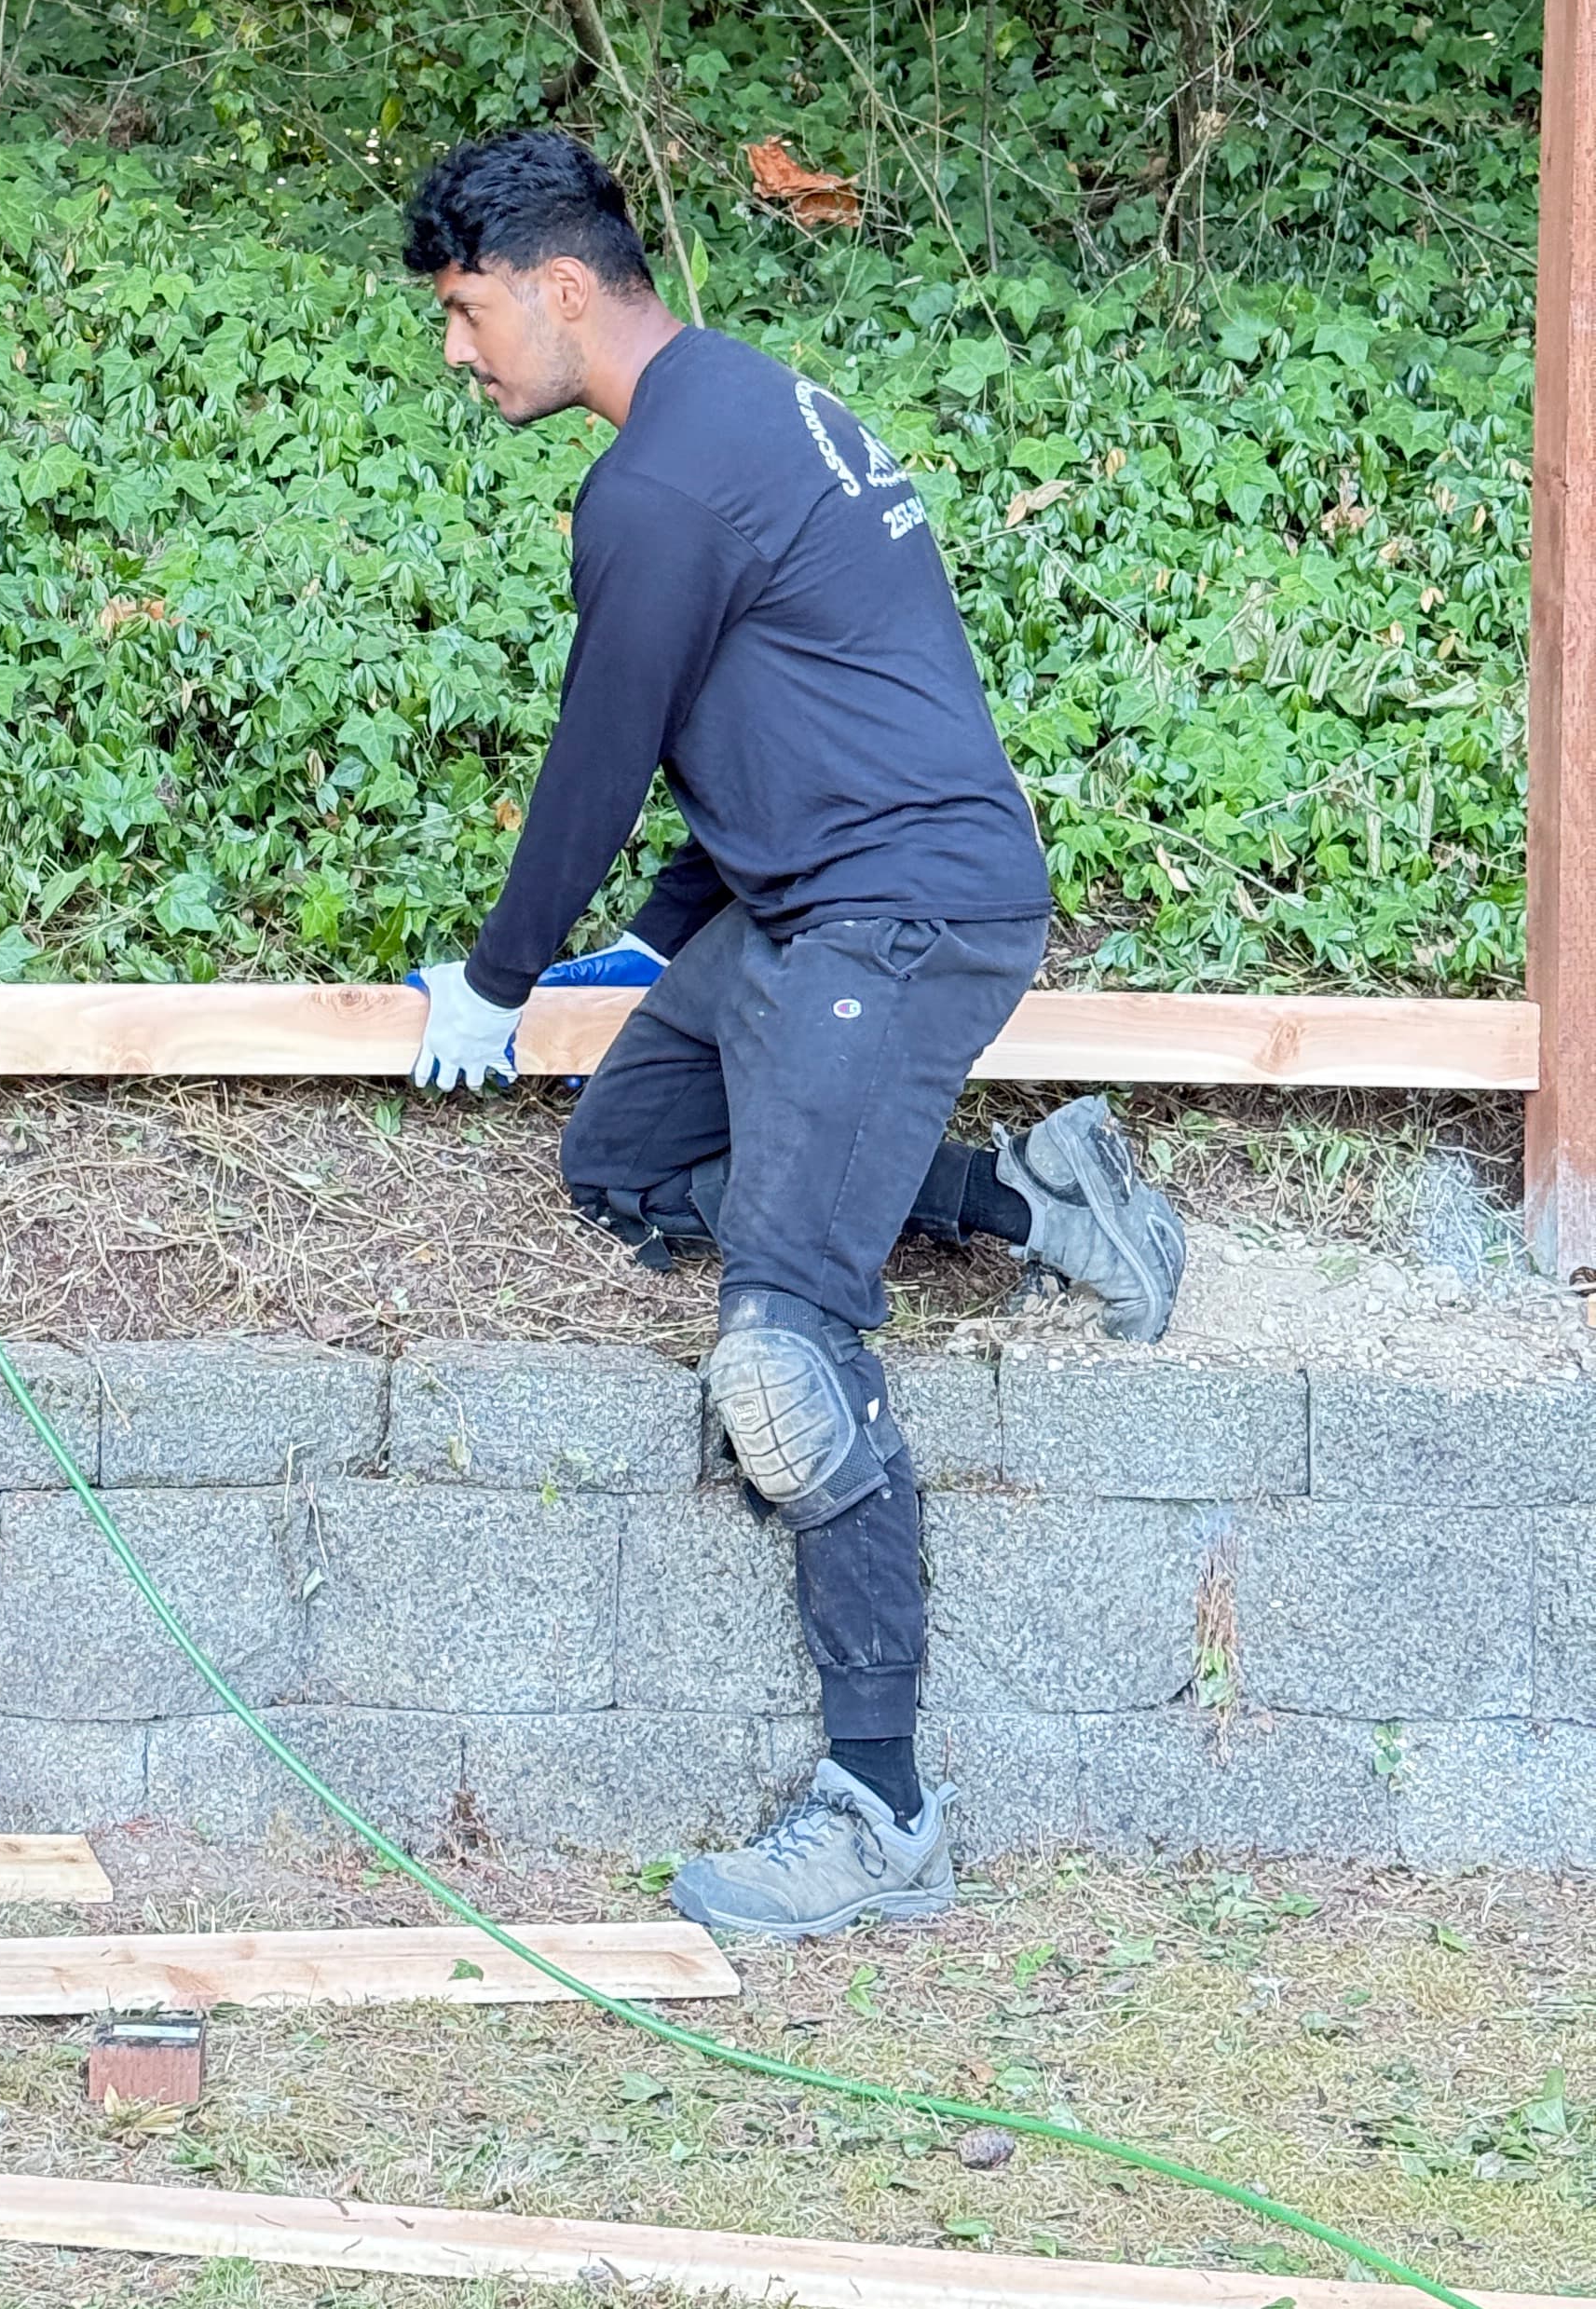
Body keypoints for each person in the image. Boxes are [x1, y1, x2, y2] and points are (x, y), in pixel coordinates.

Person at [399, 128, 1183, 1942]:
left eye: (465, 311)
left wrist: (501, 981)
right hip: (808, 898)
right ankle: (1039, 1204)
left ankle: (882, 1811)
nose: (456, 350)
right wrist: (651, 941)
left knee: (779, 1351)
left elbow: (606, 752)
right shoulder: (742, 404)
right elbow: (790, 698)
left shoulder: (658, 488)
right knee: (628, 1157)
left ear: (560, 288)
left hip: (901, 910)